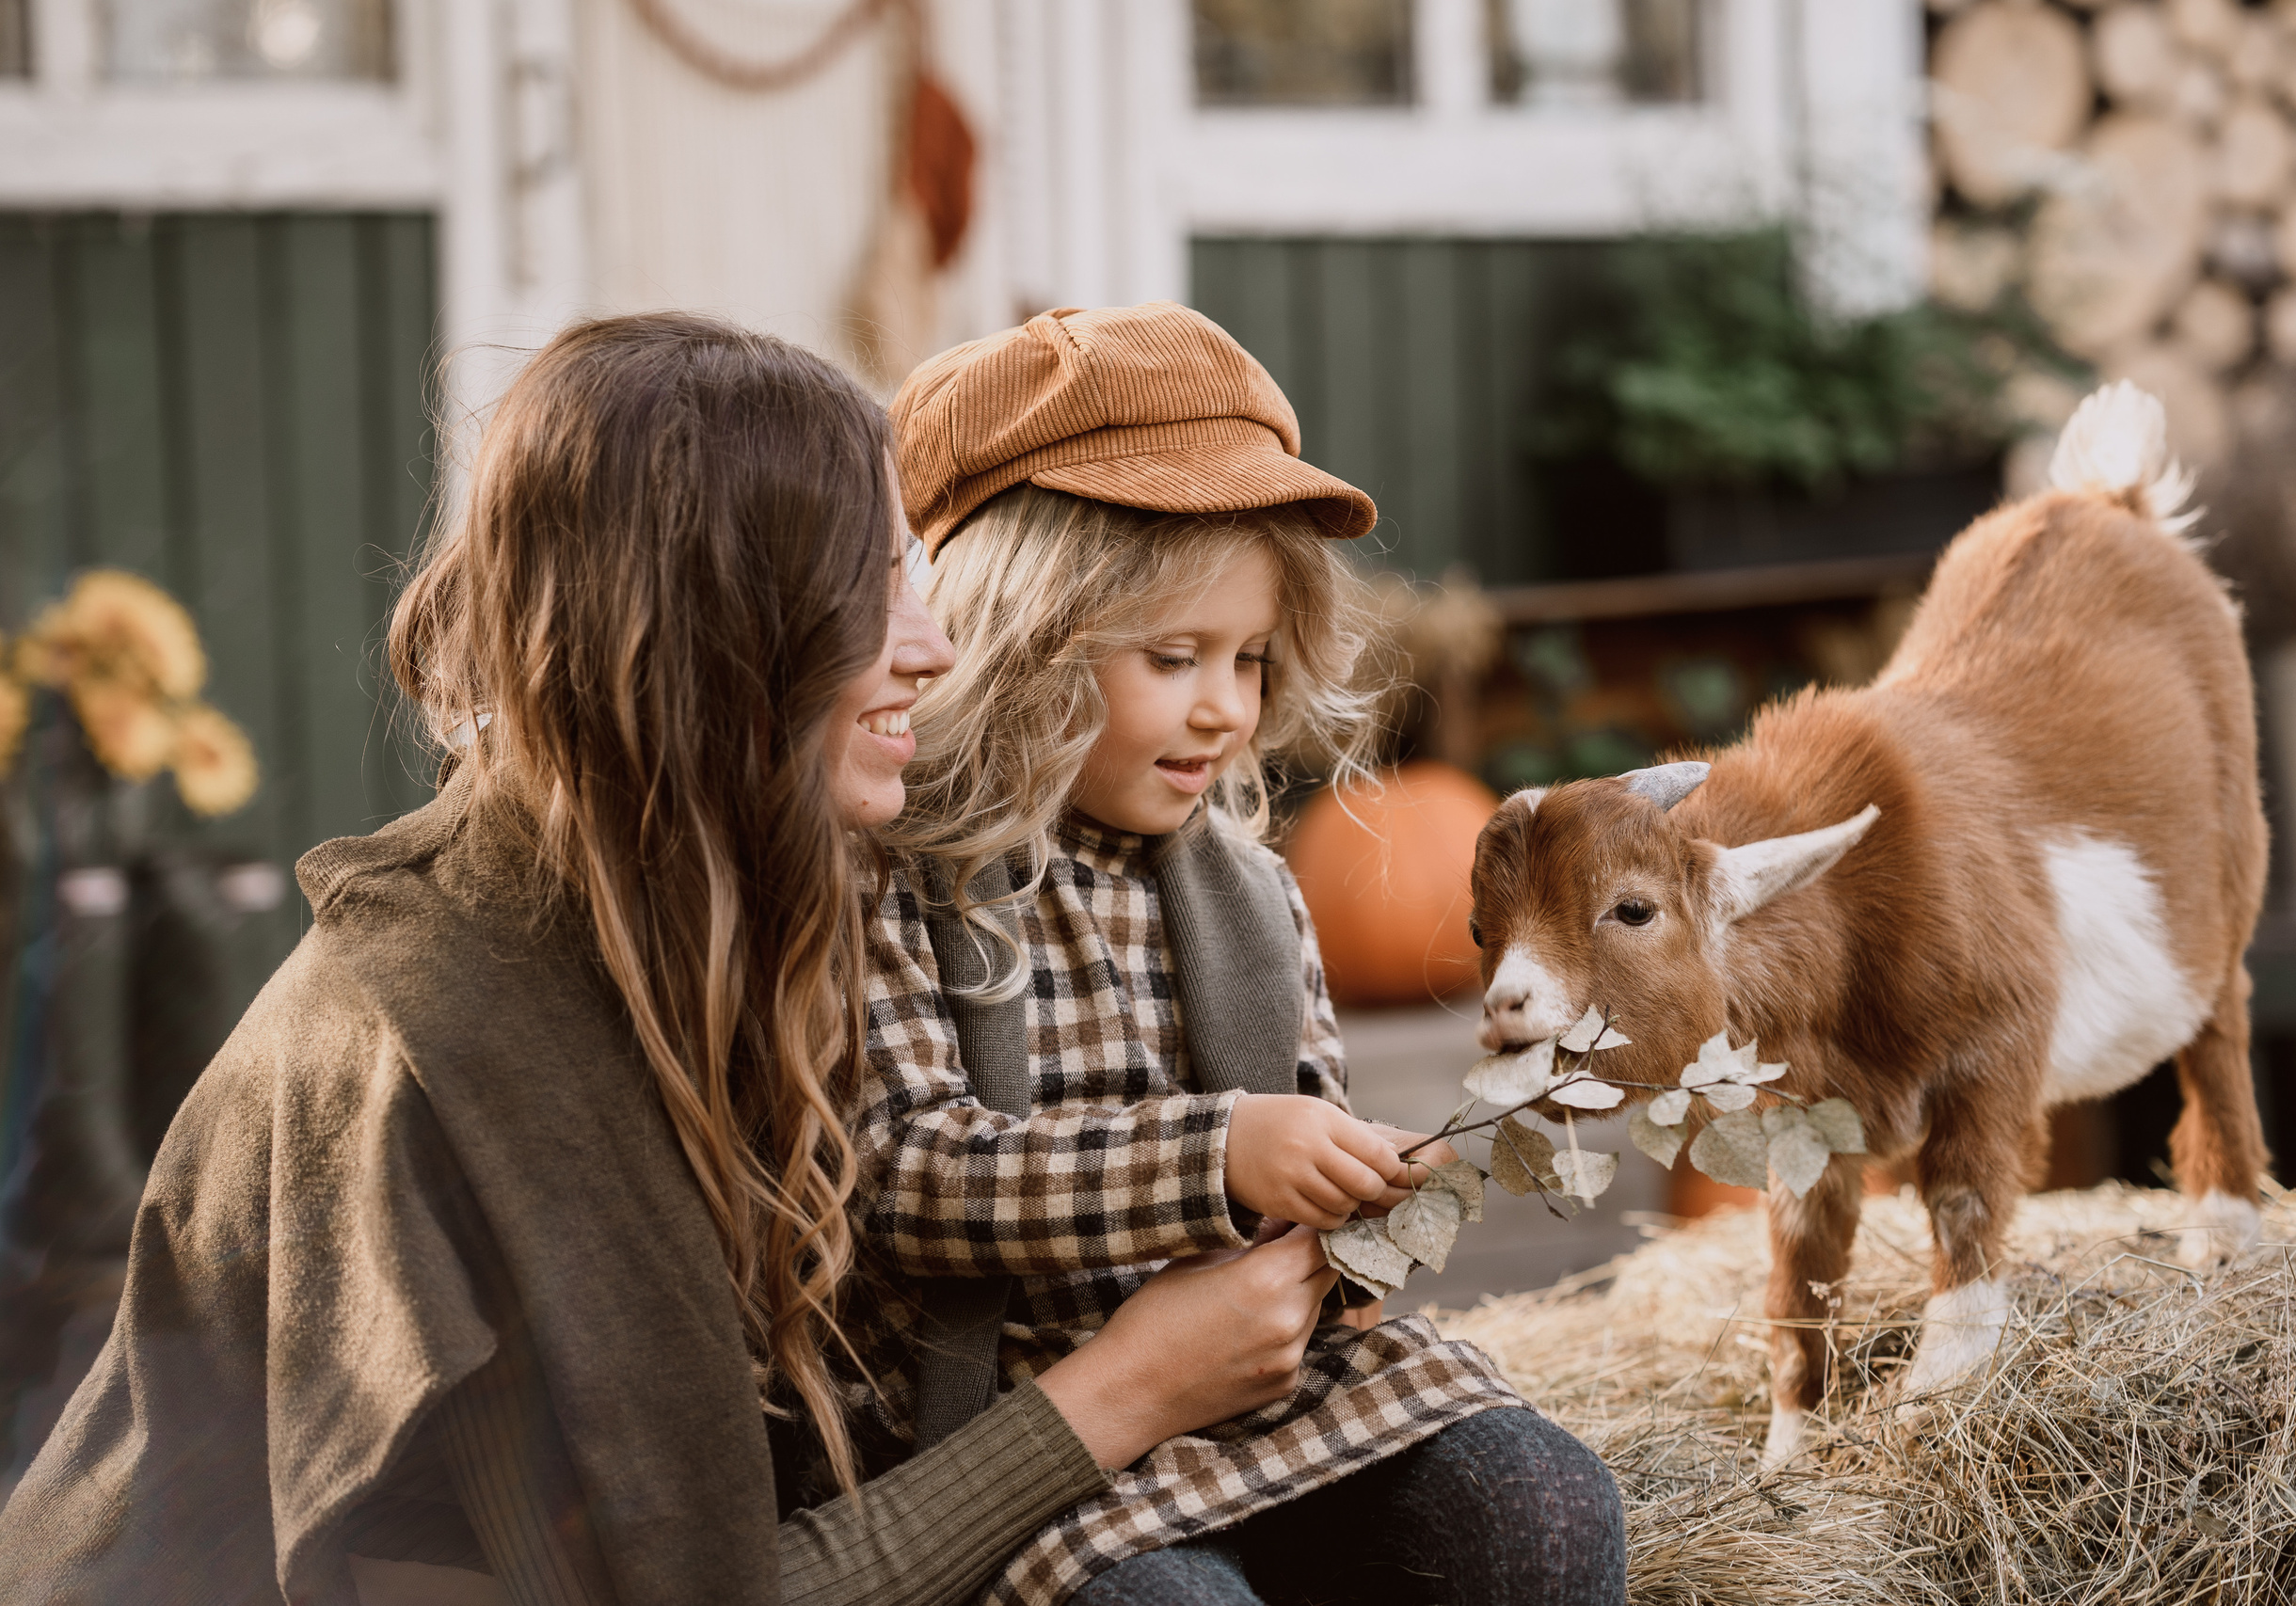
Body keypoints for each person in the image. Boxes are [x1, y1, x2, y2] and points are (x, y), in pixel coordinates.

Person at [0, 313, 1366, 1606]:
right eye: (874, 588)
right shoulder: (477, 1058)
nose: (936, 646)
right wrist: (1130, 1388)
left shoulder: (694, 904)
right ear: (718, 640)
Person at [858, 301, 1627, 1606]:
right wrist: (1215, 1152)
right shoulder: (898, 877)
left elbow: (1296, 1130)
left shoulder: (1250, 888)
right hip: (1037, 1422)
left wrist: (1357, 1205)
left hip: (1269, 1398)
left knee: (1542, 1506)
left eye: (1254, 659)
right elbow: (902, 1174)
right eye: (1175, 658)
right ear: (1021, 633)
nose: (1227, 704)